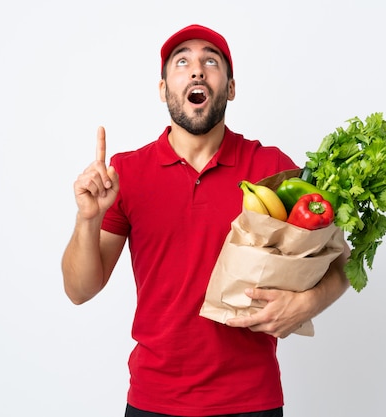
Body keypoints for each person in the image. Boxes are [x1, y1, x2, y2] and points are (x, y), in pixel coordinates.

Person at [62, 24, 350, 417]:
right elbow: (80, 290)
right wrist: (87, 219)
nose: (197, 70)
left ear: (230, 87)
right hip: (153, 400)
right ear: (163, 89)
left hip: (252, 399)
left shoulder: (273, 169)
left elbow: (341, 262)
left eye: (210, 62)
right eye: (182, 62)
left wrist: (308, 303)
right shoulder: (125, 173)